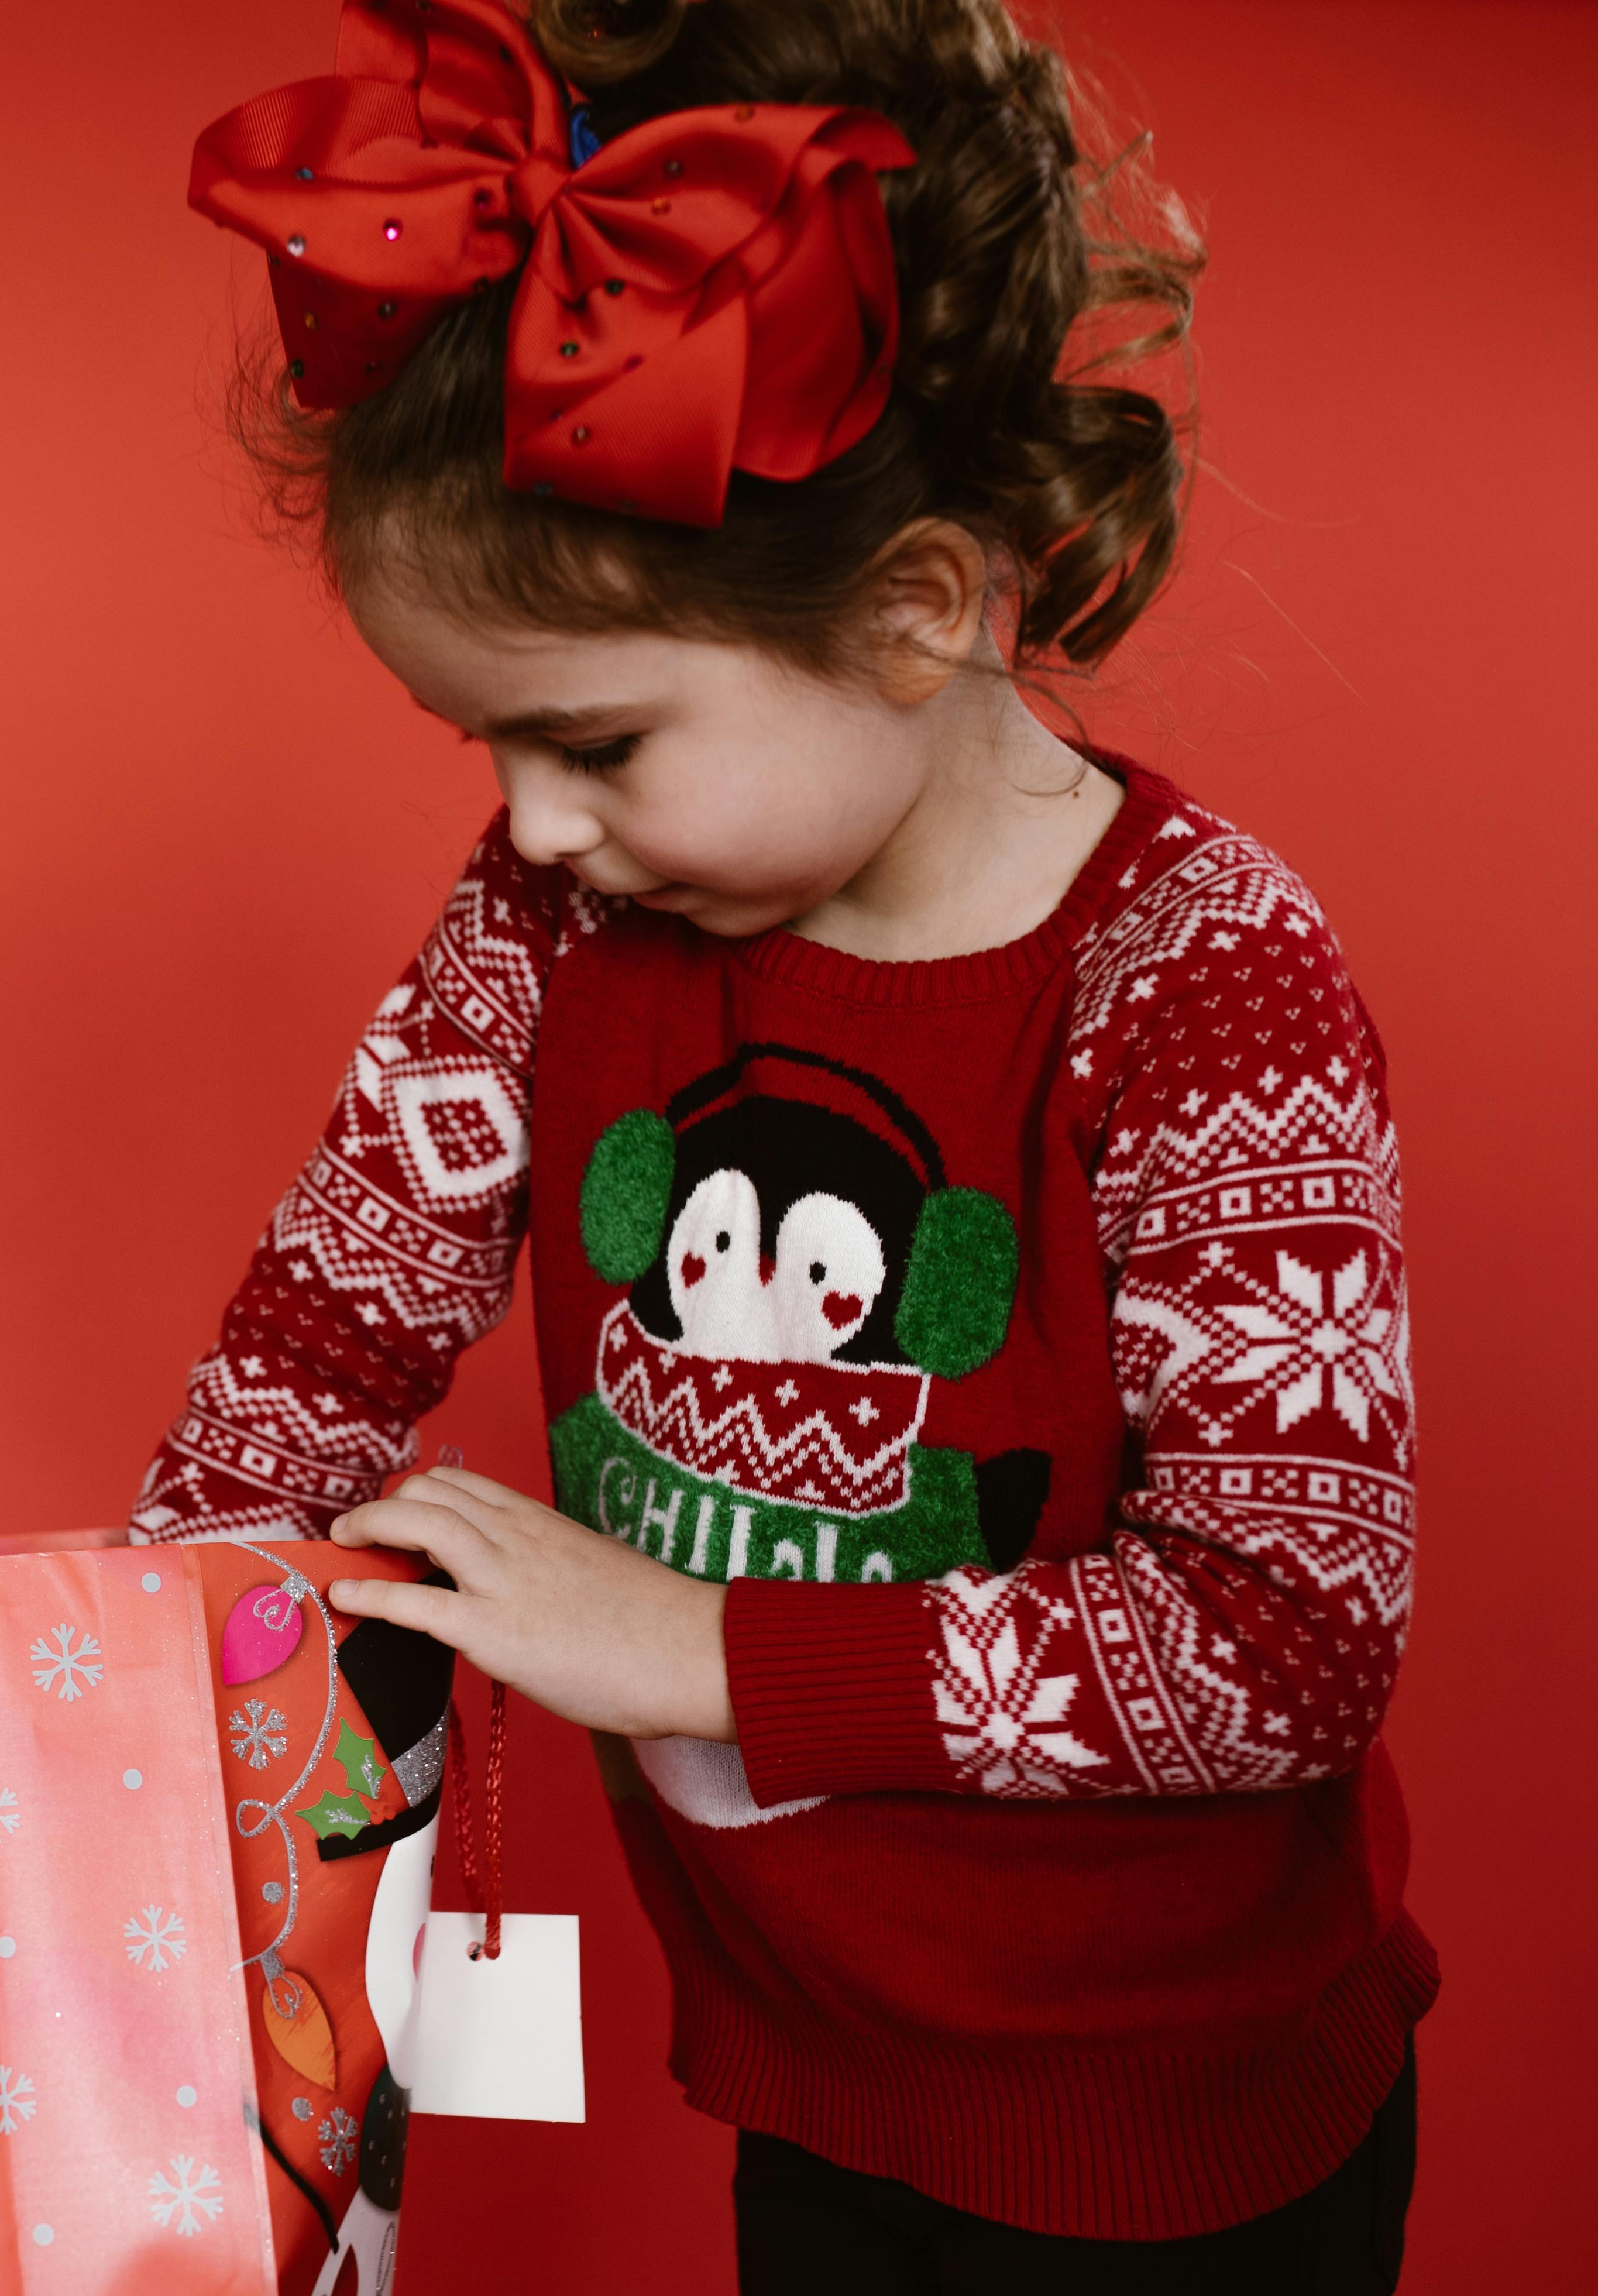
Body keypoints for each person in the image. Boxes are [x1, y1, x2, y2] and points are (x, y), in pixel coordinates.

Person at [143, 4, 1424, 2290]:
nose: (529, 822)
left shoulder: (1198, 980)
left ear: (917, 608)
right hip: (802, 2052)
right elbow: (324, 1324)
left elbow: (1280, 1639)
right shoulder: (555, 911)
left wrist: (692, 1645)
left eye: (599, 739)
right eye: (485, 745)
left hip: (1171, 2129)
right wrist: (136, 1661)